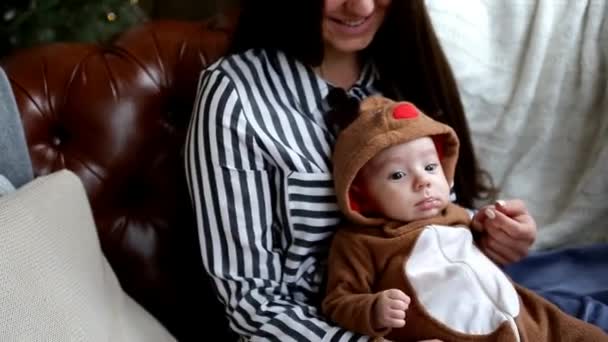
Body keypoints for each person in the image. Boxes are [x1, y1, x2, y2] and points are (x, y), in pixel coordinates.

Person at [184, 0, 536, 340]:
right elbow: (252, 302)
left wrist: (489, 234)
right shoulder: (235, 94)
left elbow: (436, 222)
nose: (363, 7)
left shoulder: (405, 70)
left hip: (463, 317)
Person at [321, 95, 608, 341]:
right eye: (398, 175)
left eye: (431, 167)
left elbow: (479, 257)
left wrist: (492, 229)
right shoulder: (359, 242)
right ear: (360, 193)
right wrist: (371, 310)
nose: (423, 181)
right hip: (455, 335)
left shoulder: (455, 215)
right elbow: (338, 300)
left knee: (587, 334)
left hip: (529, 317)